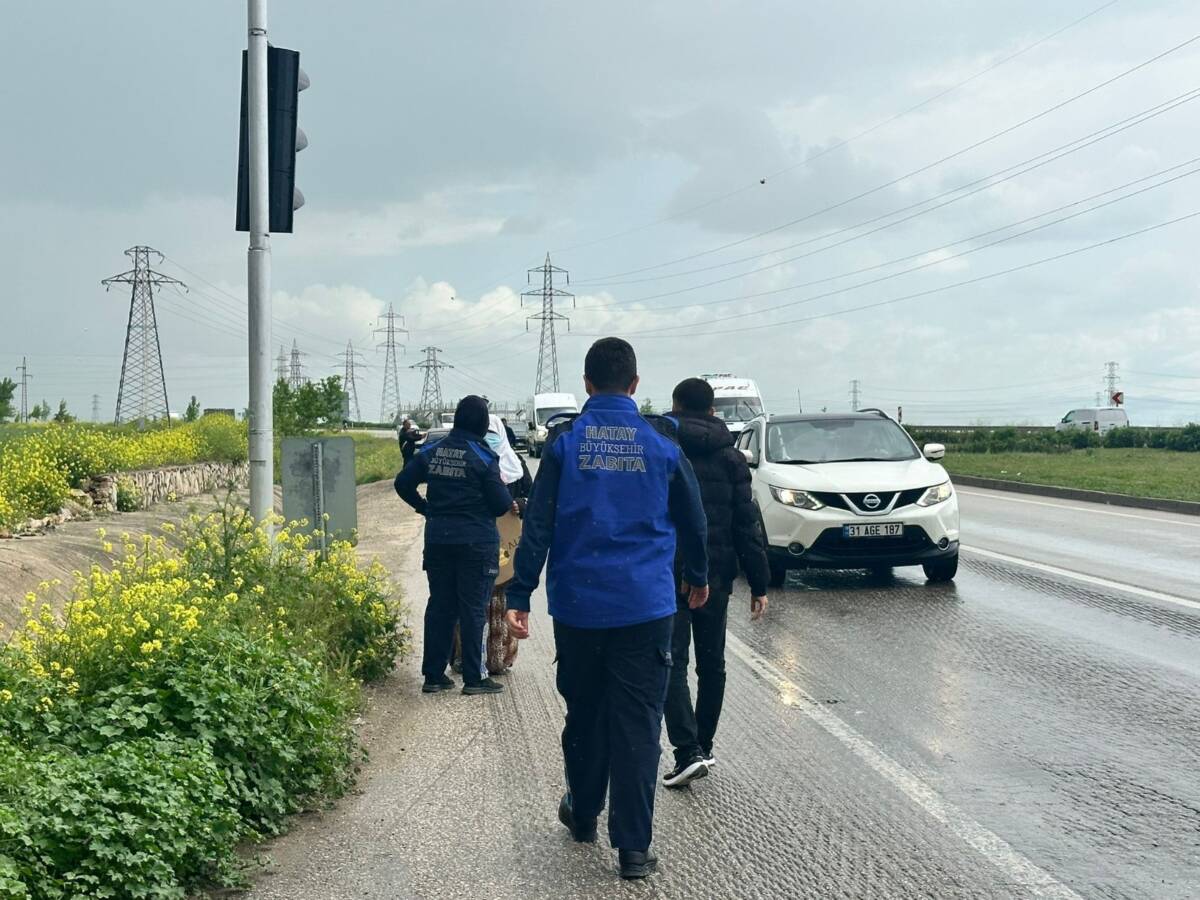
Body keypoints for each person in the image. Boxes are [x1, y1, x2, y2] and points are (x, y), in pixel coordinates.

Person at [506, 337, 708, 880]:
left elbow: (539, 525)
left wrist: (519, 594)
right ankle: (634, 850)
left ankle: (583, 815)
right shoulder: (662, 444)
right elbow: (693, 518)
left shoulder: (565, 444)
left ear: (587, 384)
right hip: (646, 609)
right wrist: (699, 576)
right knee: (639, 725)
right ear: (636, 385)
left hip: (579, 608)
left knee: (587, 715)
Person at [662, 377, 770, 790]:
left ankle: (686, 750)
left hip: (670, 571)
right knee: (713, 664)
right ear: (713, 411)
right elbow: (747, 524)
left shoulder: (663, 449)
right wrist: (759, 584)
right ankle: (703, 746)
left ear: (674, 405)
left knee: (672, 660)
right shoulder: (732, 457)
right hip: (718, 572)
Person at [394, 396, 513, 695]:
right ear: (484, 424)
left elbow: (402, 483)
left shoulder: (432, 451)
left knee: (441, 606)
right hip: (476, 542)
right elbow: (500, 505)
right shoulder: (484, 457)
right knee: (474, 608)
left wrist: (424, 508)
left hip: (438, 539)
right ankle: (475, 677)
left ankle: (434, 675)